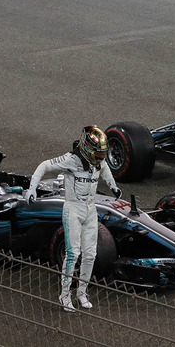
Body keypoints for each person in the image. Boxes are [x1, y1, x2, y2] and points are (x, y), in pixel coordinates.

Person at [27, 126, 121, 312]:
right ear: (87, 148)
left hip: (90, 209)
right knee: (73, 254)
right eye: (99, 153)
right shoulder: (71, 160)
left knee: (90, 254)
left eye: (104, 153)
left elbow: (105, 170)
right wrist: (32, 188)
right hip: (73, 209)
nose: (102, 157)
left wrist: (113, 187)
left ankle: (82, 293)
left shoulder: (98, 161)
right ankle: (64, 295)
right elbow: (45, 165)